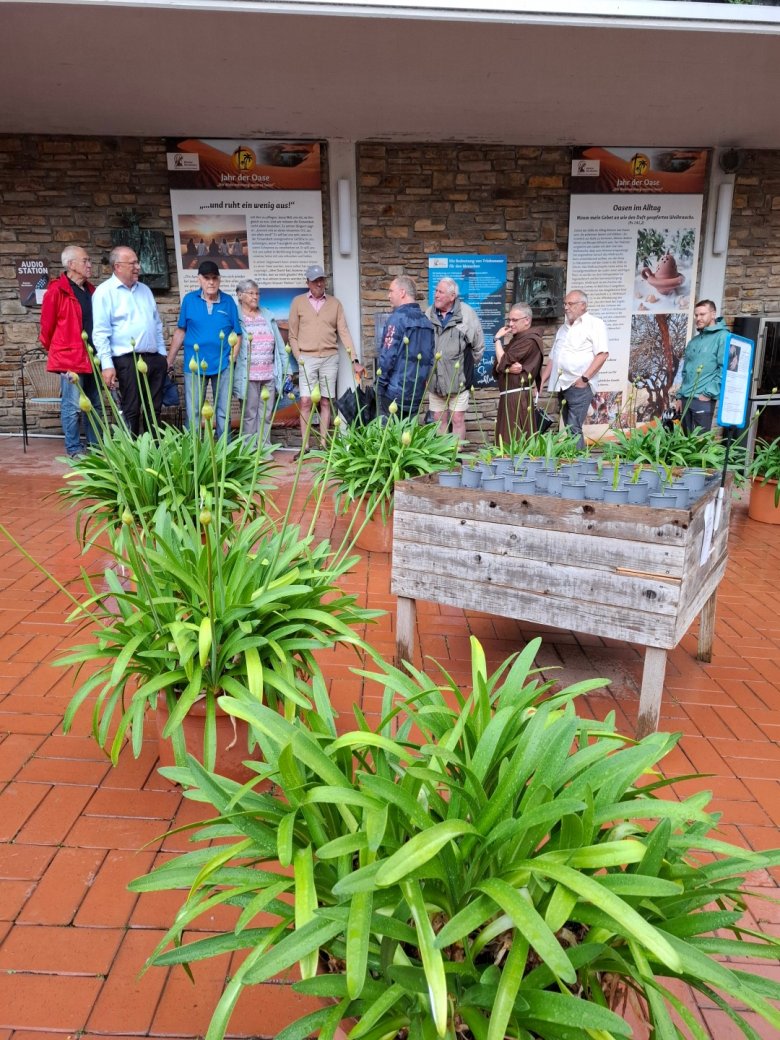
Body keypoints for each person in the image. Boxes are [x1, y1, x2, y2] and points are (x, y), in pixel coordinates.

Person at [92, 246, 167, 435]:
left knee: (155, 409)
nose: (138, 267)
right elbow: (100, 332)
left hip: (153, 359)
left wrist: (162, 355)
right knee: (131, 409)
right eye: (132, 263)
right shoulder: (104, 292)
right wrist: (107, 365)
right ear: (117, 266)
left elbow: (156, 324)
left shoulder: (145, 290)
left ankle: (157, 453)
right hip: (127, 360)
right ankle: (133, 456)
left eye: (137, 262)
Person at [288, 264, 364, 450]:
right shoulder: (297, 302)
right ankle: (305, 447)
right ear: (308, 282)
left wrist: (354, 360)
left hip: (330, 358)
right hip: (307, 358)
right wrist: (299, 357)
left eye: (321, 279)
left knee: (325, 401)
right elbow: (292, 335)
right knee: (305, 401)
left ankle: (323, 445)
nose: (319, 283)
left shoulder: (335, 303)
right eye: (315, 280)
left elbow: (343, 332)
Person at [167, 259, 242, 440]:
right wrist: (169, 360)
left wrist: (232, 359)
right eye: (207, 278)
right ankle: (193, 449)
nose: (211, 282)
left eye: (214, 278)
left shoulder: (228, 301)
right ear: (199, 279)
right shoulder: (189, 300)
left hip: (222, 364)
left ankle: (225, 449)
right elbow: (180, 331)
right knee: (194, 410)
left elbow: (237, 334)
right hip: (194, 365)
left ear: (219, 279)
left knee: (223, 410)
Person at [39, 245, 102, 456]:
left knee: (95, 404)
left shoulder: (92, 291)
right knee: (73, 406)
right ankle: (74, 449)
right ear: (70, 264)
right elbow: (46, 329)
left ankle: (96, 447)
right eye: (85, 261)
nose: (89, 265)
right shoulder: (56, 290)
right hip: (70, 358)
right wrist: (60, 354)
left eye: (89, 261)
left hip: (93, 357)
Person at [540, 289, 609, 448]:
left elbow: (602, 354)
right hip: (562, 385)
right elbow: (553, 357)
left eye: (570, 304)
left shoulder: (595, 324)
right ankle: (574, 462)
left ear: (583, 306)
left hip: (579, 385)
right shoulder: (563, 329)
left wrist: (584, 379)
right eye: (565, 304)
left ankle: (577, 465)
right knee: (570, 427)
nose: (566, 307)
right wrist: (543, 380)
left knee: (573, 428)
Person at [424, 277, 484, 441]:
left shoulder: (467, 314)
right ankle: (443, 456)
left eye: (440, 292)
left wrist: (465, 370)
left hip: (459, 381)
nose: (436, 295)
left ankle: (457, 456)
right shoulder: (429, 313)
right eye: (435, 291)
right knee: (438, 419)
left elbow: (478, 347)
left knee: (457, 418)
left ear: (452, 297)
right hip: (435, 382)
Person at [233, 278, 287, 446]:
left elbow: (279, 346)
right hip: (247, 375)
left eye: (257, 293)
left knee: (266, 413)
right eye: (251, 293)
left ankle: (264, 448)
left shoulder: (267, 315)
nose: (255, 297)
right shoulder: (236, 316)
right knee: (249, 414)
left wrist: (287, 370)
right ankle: (249, 449)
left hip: (268, 374)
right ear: (240, 295)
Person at [378, 275, 435, 418]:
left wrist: (380, 385)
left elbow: (387, 357)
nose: (388, 295)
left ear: (402, 292)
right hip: (416, 393)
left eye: (391, 291)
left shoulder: (396, 320)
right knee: (409, 436)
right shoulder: (426, 322)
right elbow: (430, 359)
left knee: (389, 436)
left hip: (394, 393)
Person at [492, 302, 544, 447]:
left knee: (513, 439)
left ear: (527, 320)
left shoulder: (530, 341)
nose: (510, 324)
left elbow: (502, 361)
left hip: (517, 398)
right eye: (509, 320)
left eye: (514, 320)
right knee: (506, 438)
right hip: (510, 396)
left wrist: (497, 340)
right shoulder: (517, 340)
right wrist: (506, 369)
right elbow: (497, 367)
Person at [674, 300, 728, 433]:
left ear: (713, 314)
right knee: (685, 442)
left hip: (702, 399)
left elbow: (725, 369)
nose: (698, 318)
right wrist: (680, 396)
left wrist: (708, 393)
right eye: (696, 315)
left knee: (700, 444)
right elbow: (686, 372)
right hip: (686, 399)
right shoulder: (694, 341)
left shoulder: (723, 337)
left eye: (702, 314)